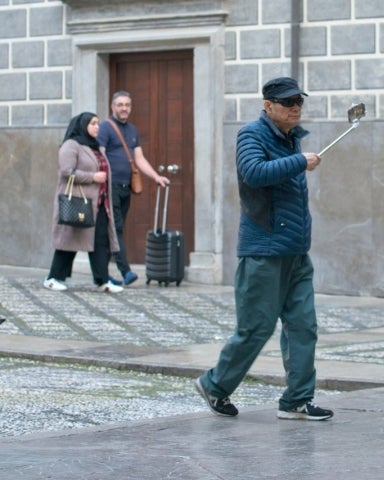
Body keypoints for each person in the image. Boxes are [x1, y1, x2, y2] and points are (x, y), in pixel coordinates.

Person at [194, 77, 333, 421]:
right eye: (287, 102)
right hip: (263, 250)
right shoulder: (251, 135)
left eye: (299, 100)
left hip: (296, 251)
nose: (295, 107)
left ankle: (297, 400)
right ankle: (215, 385)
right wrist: (300, 162)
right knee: (255, 328)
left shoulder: (291, 140)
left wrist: (297, 158)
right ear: (267, 106)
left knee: (303, 326)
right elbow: (253, 172)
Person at [44, 112, 123, 294]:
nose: (97, 127)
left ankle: (102, 280)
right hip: (80, 202)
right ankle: (53, 278)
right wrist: (92, 177)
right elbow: (66, 171)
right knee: (69, 241)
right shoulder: (71, 145)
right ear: (83, 125)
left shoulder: (96, 147)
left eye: (98, 123)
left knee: (100, 242)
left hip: (100, 203)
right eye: (93, 123)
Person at [97, 91, 170, 286]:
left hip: (125, 187)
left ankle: (102, 275)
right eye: (120, 104)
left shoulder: (132, 130)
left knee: (111, 229)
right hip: (110, 186)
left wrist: (156, 176)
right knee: (116, 227)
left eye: (127, 105)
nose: (124, 108)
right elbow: (99, 154)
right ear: (113, 107)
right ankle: (126, 271)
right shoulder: (105, 128)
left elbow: (139, 158)